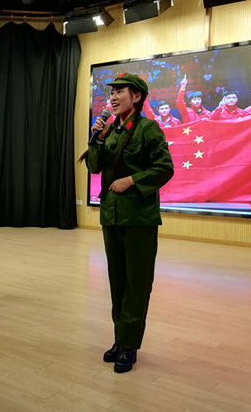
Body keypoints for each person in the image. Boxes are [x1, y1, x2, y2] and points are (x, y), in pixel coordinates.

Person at [85, 73, 174, 373]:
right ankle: (120, 339)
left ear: (136, 97)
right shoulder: (109, 130)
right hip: (111, 215)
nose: (112, 97)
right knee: (118, 282)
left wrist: (132, 180)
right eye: (111, 92)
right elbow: (94, 166)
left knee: (137, 283)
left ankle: (130, 345)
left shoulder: (149, 129)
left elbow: (165, 168)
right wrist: (97, 140)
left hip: (138, 218)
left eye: (119, 92)